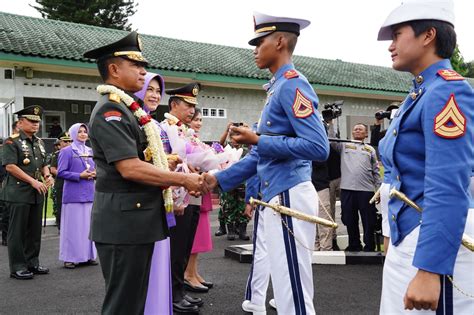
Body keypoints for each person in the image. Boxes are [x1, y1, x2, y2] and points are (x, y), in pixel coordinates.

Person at [205, 12, 329, 314]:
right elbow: (262, 155)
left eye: (259, 42)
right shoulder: (276, 87)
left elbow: (317, 146)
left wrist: (258, 139)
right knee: (287, 285)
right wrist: (218, 180)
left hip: (289, 194)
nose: (254, 50)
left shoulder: (292, 85)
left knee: (293, 290)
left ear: (280, 41)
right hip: (278, 193)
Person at [83, 32, 207, 314]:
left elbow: (141, 159)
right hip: (123, 224)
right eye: (135, 65)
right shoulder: (111, 111)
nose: (142, 72)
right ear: (114, 69)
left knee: (134, 300)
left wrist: (167, 165)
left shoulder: (127, 109)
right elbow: (129, 167)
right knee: (123, 304)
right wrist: (183, 179)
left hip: (134, 221)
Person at [377, 1, 474, 313]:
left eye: (397, 34)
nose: (391, 45)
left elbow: (447, 184)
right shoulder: (419, 93)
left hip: (432, 237)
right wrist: (393, 231)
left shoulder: (447, 92)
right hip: (410, 232)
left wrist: (431, 268)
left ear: (428, 35)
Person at [161, 83, 206, 313]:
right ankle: (173, 294)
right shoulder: (165, 128)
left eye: (193, 106)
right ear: (173, 104)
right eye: (187, 105)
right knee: (176, 247)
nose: (191, 110)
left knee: (185, 245)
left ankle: (180, 290)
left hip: (190, 193)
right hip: (177, 196)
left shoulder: (184, 130)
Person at [134, 71, 174, 315]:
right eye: (150, 89)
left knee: (160, 263)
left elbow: (162, 158)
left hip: (159, 199)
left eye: (158, 91)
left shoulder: (155, 125)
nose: (154, 95)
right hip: (140, 204)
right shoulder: (131, 120)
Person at [2, 105, 53, 280]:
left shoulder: (39, 142)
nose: (35, 124)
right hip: (19, 192)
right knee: (17, 231)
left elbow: (44, 162)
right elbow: (10, 166)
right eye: (31, 121)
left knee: (34, 230)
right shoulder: (11, 141)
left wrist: (47, 176)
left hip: (36, 191)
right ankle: (18, 266)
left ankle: (32, 262)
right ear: (21, 122)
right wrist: (32, 181)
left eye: (37, 122)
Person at [329, 123, 381, 251]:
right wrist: (330, 124)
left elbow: (376, 171)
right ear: (352, 132)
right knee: (349, 219)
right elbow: (331, 140)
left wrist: (379, 190)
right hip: (347, 190)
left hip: (367, 191)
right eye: (355, 129)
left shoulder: (370, 149)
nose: (357, 130)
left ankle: (369, 246)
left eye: (360, 129)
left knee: (368, 221)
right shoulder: (344, 145)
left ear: (365, 134)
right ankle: (354, 245)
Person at [57, 123, 97, 269]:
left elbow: (96, 168)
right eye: (79, 132)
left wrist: (95, 174)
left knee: (88, 227)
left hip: (90, 193)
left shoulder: (91, 150)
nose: (83, 134)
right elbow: (61, 172)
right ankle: (70, 257)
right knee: (73, 227)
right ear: (73, 133)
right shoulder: (67, 151)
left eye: (85, 131)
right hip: (73, 194)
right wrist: (79, 175)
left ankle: (88, 255)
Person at [184, 108, 214, 293]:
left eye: (201, 119)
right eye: (195, 119)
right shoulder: (183, 139)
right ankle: (188, 274)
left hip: (202, 188)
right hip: (191, 189)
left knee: (200, 233)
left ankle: (193, 272)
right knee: (193, 235)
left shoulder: (198, 142)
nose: (198, 123)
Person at [217, 122, 251, 241]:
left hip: (243, 183)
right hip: (230, 182)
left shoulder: (246, 148)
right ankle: (230, 229)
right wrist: (227, 130)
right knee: (229, 205)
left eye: (238, 136)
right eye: (233, 137)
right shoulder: (227, 148)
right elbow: (218, 145)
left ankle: (242, 229)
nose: (235, 139)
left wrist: (248, 129)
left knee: (242, 206)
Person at [49, 131, 72, 231]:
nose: (67, 144)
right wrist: (66, 174)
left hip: (73, 183)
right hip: (61, 182)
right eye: (65, 142)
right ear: (60, 142)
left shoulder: (75, 153)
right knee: (61, 205)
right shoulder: (58, 154)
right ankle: (61, 226)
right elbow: (53, 169)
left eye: (70, 141)